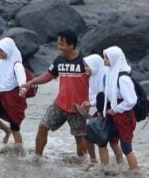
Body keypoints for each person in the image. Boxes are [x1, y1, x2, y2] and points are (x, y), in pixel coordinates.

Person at [20, 29, 96, 163]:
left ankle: (83, 163)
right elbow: (48, 76)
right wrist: (31, 82)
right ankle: (37, 158)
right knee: (43, 127)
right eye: (58, 44)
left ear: (72, 45)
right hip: (59, 105)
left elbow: (97, 81)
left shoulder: (85, 62)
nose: (59, 47)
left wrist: (94, 102)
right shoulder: (59, 60)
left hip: (78, 108)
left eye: (62, 44)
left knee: (80, 137)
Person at [79, 54, 123, 170]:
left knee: (105, 141)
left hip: (110, 112)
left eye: (88, 66)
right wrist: (89, 104)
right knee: (87, 135)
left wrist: (98, 108)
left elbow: (107, 96)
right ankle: (94, 161)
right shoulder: (93, 77)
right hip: (101, 110)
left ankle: (110, 169)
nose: (86, 69)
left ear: (95, 65)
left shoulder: (105, 76)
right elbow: (96, 97)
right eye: (85, 66)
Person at [100, 46, 139, 171]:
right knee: (107, 139)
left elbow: (131, 100)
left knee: (126, 147)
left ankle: (135, 173)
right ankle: (114, 167)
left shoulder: (123, 78)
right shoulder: (112, 73)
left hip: (124, 116)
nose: (104, 60)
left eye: (107, 57)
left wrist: (116, 109)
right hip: (114, 115)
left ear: (114, 59)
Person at [0, 37, 27, 145]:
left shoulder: (16, 64)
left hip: (14, 98)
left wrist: (23, 89)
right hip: (3, 96)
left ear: (9, 50)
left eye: (2, 51)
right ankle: (6, 130)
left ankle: (19, 154)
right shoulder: (3, 62)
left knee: (15, 127)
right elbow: (2, 80)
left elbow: (22, 79)